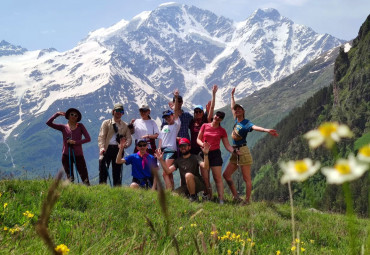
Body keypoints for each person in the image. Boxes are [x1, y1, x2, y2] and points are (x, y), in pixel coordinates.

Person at [223, 87, 278, 204]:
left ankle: (247, 201)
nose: (236, 110)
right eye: (236, 109)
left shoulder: (246, 123)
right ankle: (236, 196)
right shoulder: (236, 120)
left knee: (246, 178)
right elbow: (232, 107)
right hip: (235, 150)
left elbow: (254, 127)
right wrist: (232, 96)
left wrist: (266, 130)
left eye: (239, 109)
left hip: (243, 150)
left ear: (243, 111)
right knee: (226, 175)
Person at [197, 111, 237, 204]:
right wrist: (203, 145)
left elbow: (227, 145)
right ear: (214, 115)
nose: (218, 117)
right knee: (205, 178)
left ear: (221, 119)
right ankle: (209, 196)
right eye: (217, 115)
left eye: (220, 117)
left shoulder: (222, 130)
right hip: (204, 153)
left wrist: (234, 152)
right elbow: (198, 139)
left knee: (217, 178)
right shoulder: (204, 126)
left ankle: (221, 199)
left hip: (215, 154)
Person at [46, 108, 90, 185]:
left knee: (84, 176)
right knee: (70, 177)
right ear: (68, 116)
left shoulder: (80, 126)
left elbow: (88, 139)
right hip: (66, 155)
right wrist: (57, 114)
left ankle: (88, 190)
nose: (73, 116)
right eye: (72, 114)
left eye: (76, 115)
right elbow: (49, 123)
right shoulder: (63, 127)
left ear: (77, 118)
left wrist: (75, 142)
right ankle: (72, 192)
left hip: (78, 155)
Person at [98, 103, 132, 186]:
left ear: (123, 113)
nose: (119, 112)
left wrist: (125, 145)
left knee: (117, 171)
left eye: (121, 111)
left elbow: (129, 138)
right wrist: (101, 148)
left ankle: (117, 189)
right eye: (117, 110)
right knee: (103, 170)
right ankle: (102, 188)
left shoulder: (125, 125)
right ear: (113, 111)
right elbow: (102, 136)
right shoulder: (106, 123)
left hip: (118, 149)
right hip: (107, 148)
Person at [158, 90, 181, 190]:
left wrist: (176, 98)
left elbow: (176, 111)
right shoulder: (164, 127)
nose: (167, 118)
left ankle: (168, 192)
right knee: (169, 174)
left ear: (172, 115)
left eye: (169, 116)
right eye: (165, 117)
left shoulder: (176, 124)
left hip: (171, 151)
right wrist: (159, 149)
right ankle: (172, 190)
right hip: (163, 151)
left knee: (165, 173)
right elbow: (160, 138)